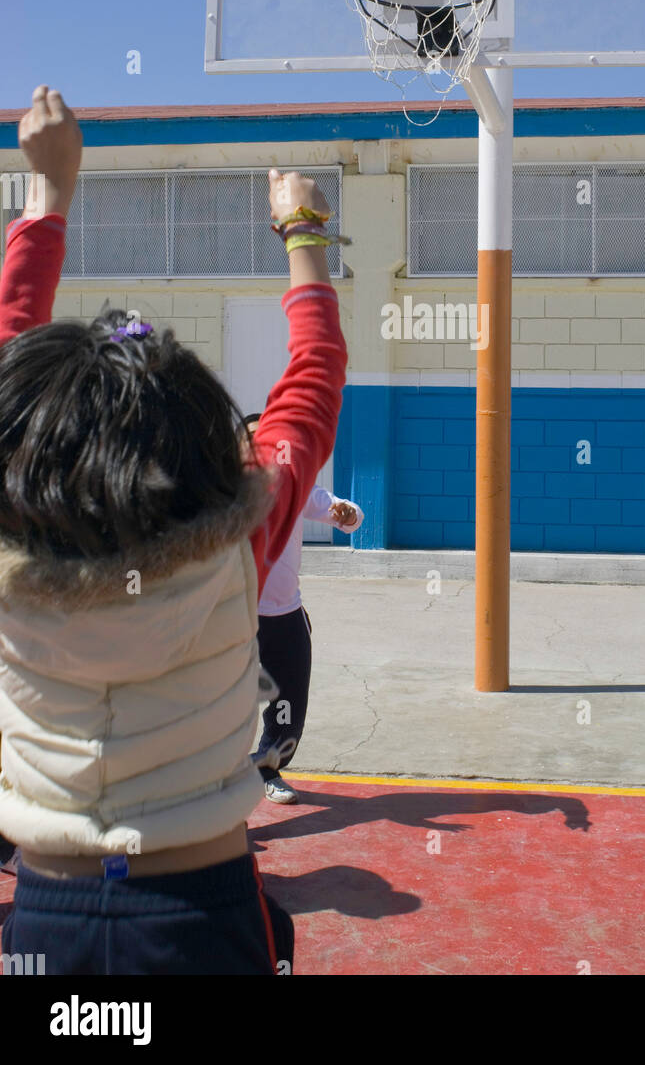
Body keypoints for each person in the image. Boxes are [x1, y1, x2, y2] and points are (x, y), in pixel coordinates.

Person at [0, 86, 348, 974]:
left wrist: (48, 196)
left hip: (49, 915)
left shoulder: (11, 552)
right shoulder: (236, 546)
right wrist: (302, 229)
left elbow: (10, 353)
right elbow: (314, 374)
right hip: (203, 910)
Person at [243, 427, 363, 805]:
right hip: (234, 617)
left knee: (289, 709)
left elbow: (347, 515)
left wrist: (347, 514)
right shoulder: (222, 494)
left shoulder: (296, 489)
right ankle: (207, 787)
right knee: (221, 707)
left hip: (285, 616)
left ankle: (265, 769)